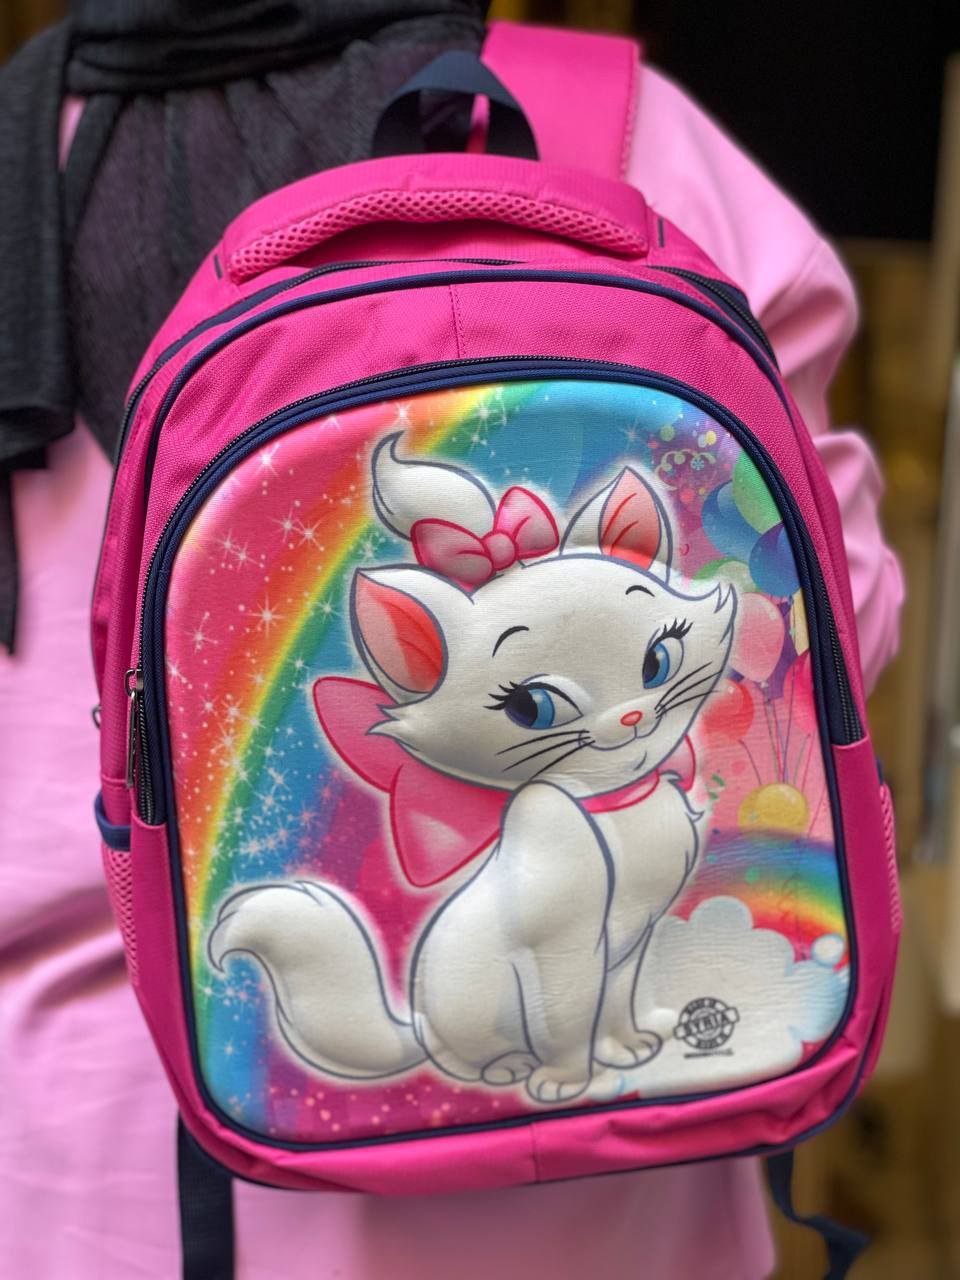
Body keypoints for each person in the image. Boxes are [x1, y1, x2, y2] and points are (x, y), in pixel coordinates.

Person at [0, 3, 903, 1277]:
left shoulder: (18, 172)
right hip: (610, 1210)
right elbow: (835, 627)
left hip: (87, 1180)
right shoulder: (638, 144)